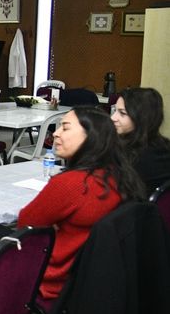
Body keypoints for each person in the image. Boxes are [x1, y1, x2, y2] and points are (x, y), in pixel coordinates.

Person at [18, 106, 144, 301]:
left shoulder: (73, 184)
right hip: (96, 279)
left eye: (65, 128)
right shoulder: (120, 176)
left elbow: (25, 226)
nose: (56, 134)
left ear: (90, 137)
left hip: (55, 280)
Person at [111, 87, 170, 191]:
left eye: (122, 113)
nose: (113, 118)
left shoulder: (140, 157)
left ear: (141, 117)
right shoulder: (163, 145)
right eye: (115, 110)